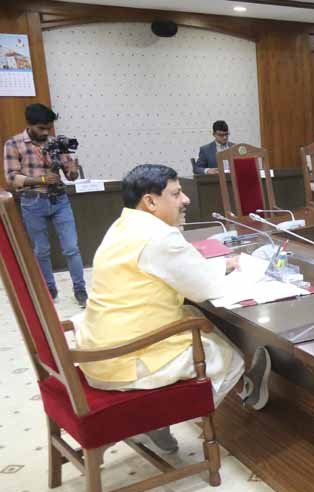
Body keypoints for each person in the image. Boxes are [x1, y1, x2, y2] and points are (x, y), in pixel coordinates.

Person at [75, 164, 271, 453]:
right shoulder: (159, 237)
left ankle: (157, 423)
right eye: (176, 194)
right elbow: (206, 289)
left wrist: (222, 265)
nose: (186, 200)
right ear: (150, 201)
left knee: (193, 315)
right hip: (125, 361)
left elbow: (178, 270)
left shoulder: (123, 225)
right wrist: (243, 273)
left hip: (98, 353)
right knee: (229, 359)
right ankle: (159, 418)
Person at [4, 103, 87, 308]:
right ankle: (49, 290)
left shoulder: (56, 143)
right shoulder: (13, 144)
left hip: (60, 200)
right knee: (41, 250)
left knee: (72, 248)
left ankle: (80, 290)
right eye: (41, 128)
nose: (45, 133)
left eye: (48, 128)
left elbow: (70, 176)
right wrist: (41, 180)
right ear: (29, 124)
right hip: (33, 201)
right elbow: (11, 178)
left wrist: (73, 170)